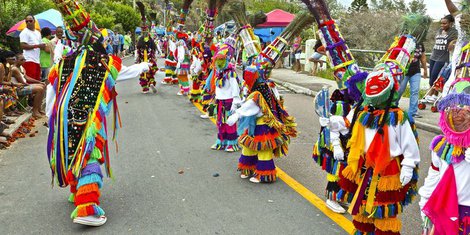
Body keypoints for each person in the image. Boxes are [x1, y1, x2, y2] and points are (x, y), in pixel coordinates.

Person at [208, 38, 241, 152]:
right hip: (220, 101)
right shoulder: (218, 73)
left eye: (221, 61)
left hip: (229, 102)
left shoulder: (230, 73)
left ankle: (232, 143)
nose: (218, 64)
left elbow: (235, 88)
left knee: (229, 122)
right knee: (220, 122)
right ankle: (221, 141)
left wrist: (235, 103)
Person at [425, 14, 458, 102]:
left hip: (443, 58)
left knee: (435, 77)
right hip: (433, 56)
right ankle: (434, 96)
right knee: (431, 78)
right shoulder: (439, 30)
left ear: (450, 23)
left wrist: (453, 42)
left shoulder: (453, 32)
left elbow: (456, 41)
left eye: (445, 24)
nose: (442, 25)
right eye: (441, 23)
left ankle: (432, 94)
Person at [398, 42, 428, 118]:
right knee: (400, 90)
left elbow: (423, 57)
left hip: (415, 71)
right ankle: (393, 106)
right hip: (404, 71)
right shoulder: (405, 41)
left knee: (415, 91)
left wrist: (425, 69)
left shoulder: (420, 44)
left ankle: (413, 112)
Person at [11, 53, 46, 118]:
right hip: (17, 89)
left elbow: (27, 78)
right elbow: (23, 82)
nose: (24, 61)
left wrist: (39, 82)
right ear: (16, 60)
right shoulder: (14, 69)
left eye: (24, 59)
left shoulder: (21, 67)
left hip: (23, 86)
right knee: (39, 89)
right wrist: (33, 88)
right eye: (22, 60)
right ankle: (35, 111)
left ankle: (38, 109)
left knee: (42, 86)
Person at [19, 15, 46, 82]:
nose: (28, 22)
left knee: (37, 81)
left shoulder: (38, 33)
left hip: (37, 60)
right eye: (27, 21)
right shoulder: (24, 32)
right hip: (29, 60)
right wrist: (37, 46)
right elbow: (23, 46)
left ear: (34, 21)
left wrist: (43, 46)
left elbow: (40, 45)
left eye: (30, 21)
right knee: (31, 82)